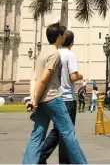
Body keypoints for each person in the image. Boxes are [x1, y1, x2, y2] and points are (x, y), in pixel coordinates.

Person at [22, 23, 87, 164]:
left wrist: (34, 100)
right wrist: (34, 101)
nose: (63, 38)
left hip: (41, 102)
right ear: (59, 37)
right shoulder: (54, 54)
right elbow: (44, 79)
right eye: (62, 35)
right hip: (53, 99)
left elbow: (34, 78)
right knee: (69, 133)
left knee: (37, 135)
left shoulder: (42, 54)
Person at [39, 30, 84, 164]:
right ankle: (61, 160)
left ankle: (42, 156)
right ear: (72, 42)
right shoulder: (70, 55)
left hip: (56, 97)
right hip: (68, 99)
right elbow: (73, 77)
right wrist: (81, 76)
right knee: (66, 133)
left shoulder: (56, 53)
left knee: (59, 130)